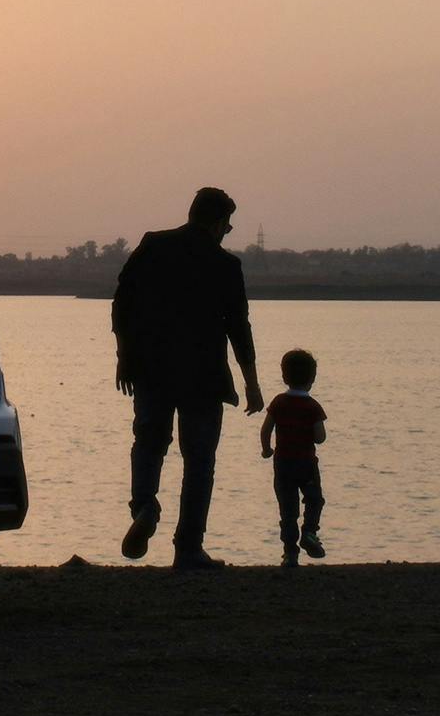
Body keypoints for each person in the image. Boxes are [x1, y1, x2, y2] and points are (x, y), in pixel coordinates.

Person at [111, 187, 264, 570]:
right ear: (216, 223)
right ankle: (189, 547)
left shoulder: (153, 246)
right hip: (203, 376)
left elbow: (122, 305)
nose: (227, 232)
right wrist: (252, 383)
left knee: (148, 443)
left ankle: (144, 506)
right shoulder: (226, 265)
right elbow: (238, 328)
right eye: (227, 225)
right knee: (199, 461)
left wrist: (124, 358)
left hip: (150, 369)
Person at [260, 348, 328, 568]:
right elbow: (320, 438)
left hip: (283, 464)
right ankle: (309, 531)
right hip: (306, 464)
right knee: (314, 499)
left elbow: (266, 429)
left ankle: (290, 553)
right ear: (312, 378)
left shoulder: (279, 402)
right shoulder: (313, 407)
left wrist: (266, 449)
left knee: (287, 509)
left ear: (284, 376)